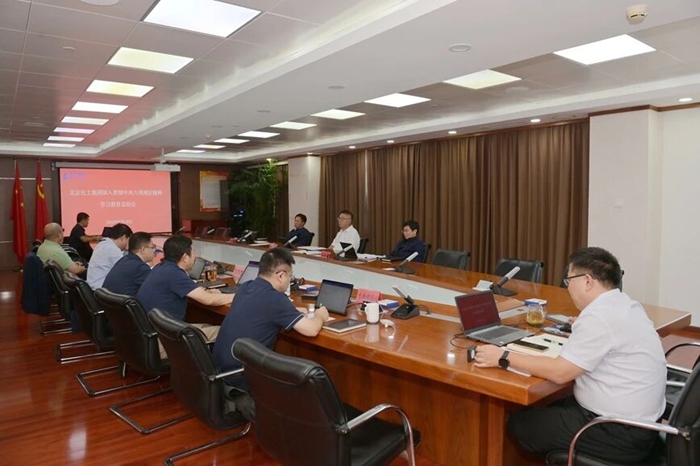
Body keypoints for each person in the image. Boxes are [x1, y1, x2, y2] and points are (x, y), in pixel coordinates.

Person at [474, 247, 665, 463]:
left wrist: (503, 356)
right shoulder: (626, 305)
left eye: (569, 280)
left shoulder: (599, 317)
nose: (568, 287)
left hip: (618, 433)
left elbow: (560, 373)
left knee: (520, 424)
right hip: (644, 425)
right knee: (549, 406)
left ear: (587, 281)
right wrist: (582, 327)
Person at [212, 247, 329, 391]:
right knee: (305, 387)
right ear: (281, 275)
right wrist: (320, 315)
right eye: (290, 276)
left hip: (219, 370)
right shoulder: (276, 299)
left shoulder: (245, 287)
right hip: (241, 376)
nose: (290, 281)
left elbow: (262, 308)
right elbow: (311, 330)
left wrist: (291, 311)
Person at [137, 235, 233, 357]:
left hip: (151, 336)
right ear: (185, 257)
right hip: (164, 341)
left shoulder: (161, 268)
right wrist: (238, 295)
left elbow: (196, 291)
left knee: (208, 326)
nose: (195, 256)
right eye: (194, 252)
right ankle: (218, 367)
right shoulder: (174, 273)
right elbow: (209, 300)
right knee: (227, 332)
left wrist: (208, 292)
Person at [101, 231, 155, 296]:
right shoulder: (140, 268)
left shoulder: (123, 260)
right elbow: (155, 290)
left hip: (109, 301)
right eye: (152, 247)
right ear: (143, 249)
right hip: (124, 302)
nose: (154, 251)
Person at [86, 223, 132, 290]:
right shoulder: (112, 249)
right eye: (129, 240)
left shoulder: (103, 244)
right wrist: (130, 250)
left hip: (95, 287)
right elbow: (127, 270)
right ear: (123, 238)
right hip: (101, 289)